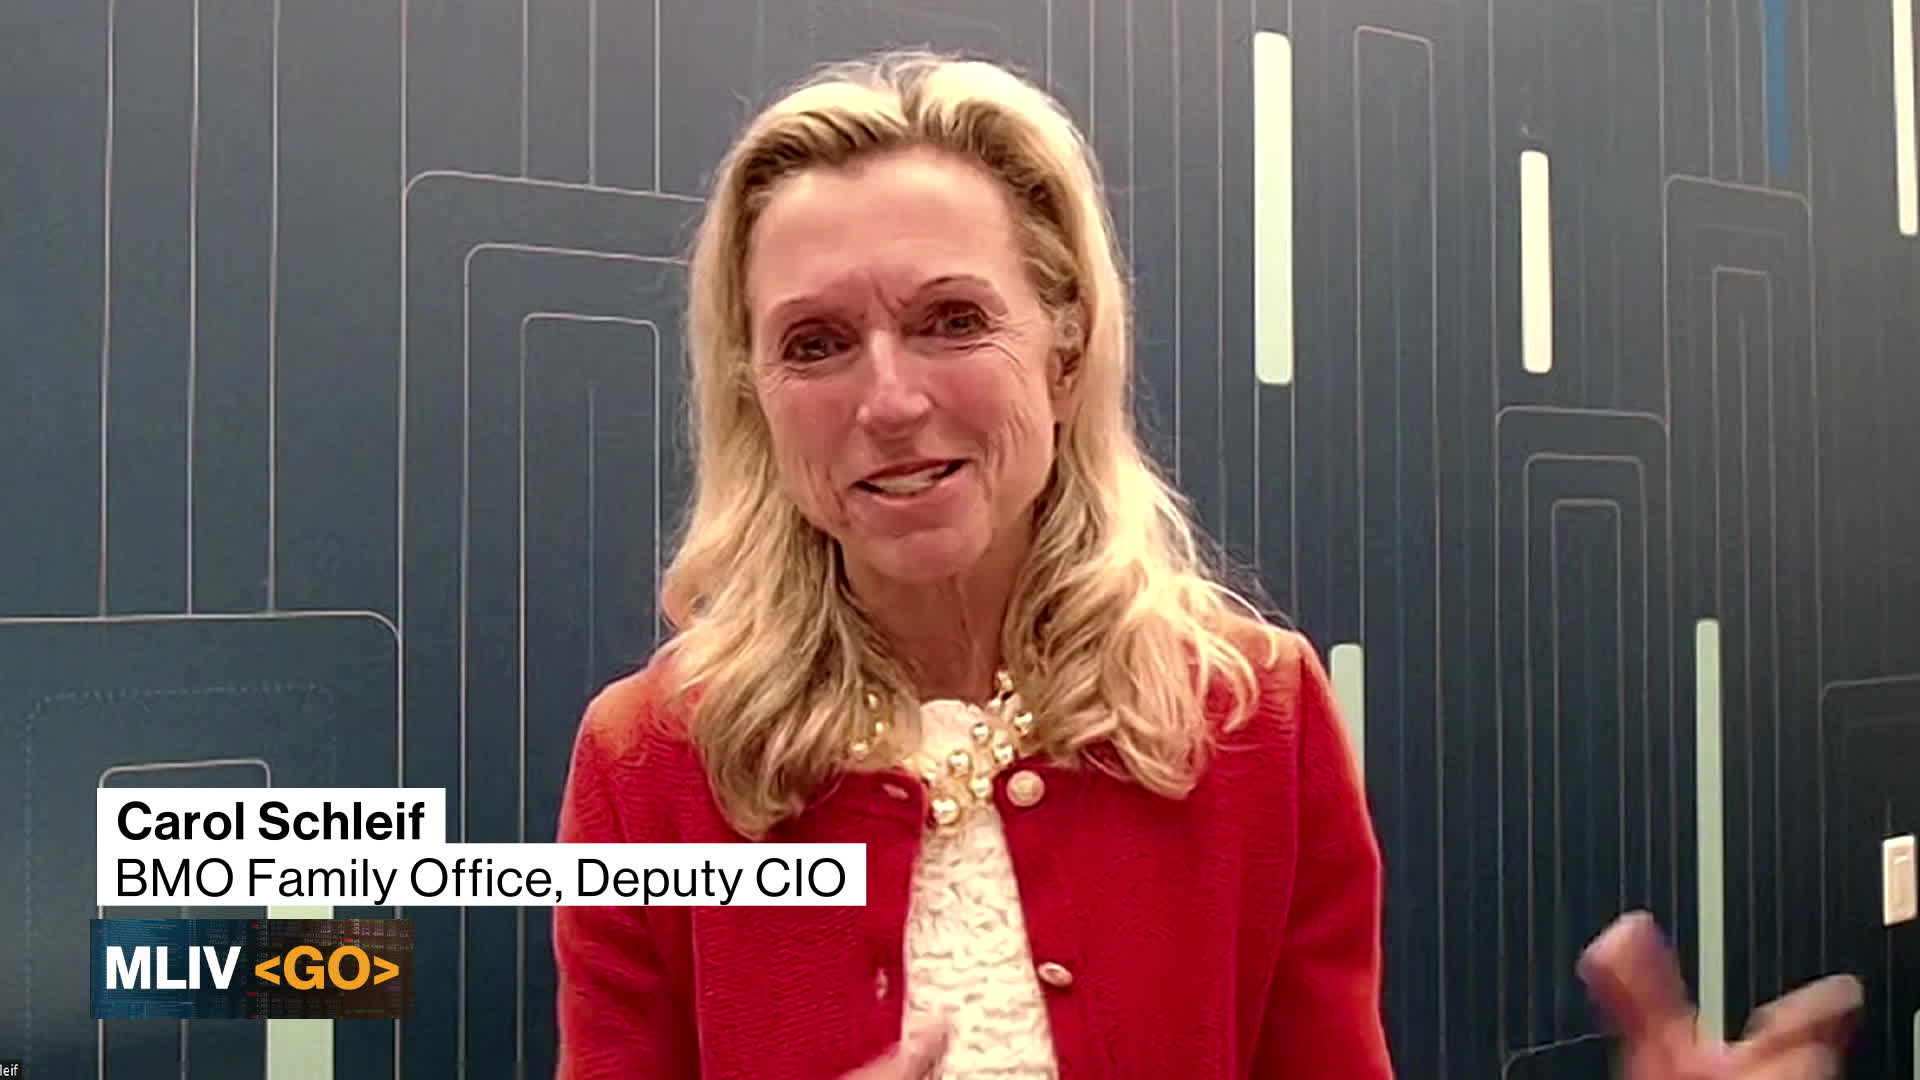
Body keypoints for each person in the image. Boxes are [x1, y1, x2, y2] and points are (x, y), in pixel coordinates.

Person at [552, 51, 1861, 1079]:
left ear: (1064, 350)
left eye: (952, 319)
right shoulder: (648, 763)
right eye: (815, 343)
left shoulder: (1253, 715)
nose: (888, 400)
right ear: (756, 395)